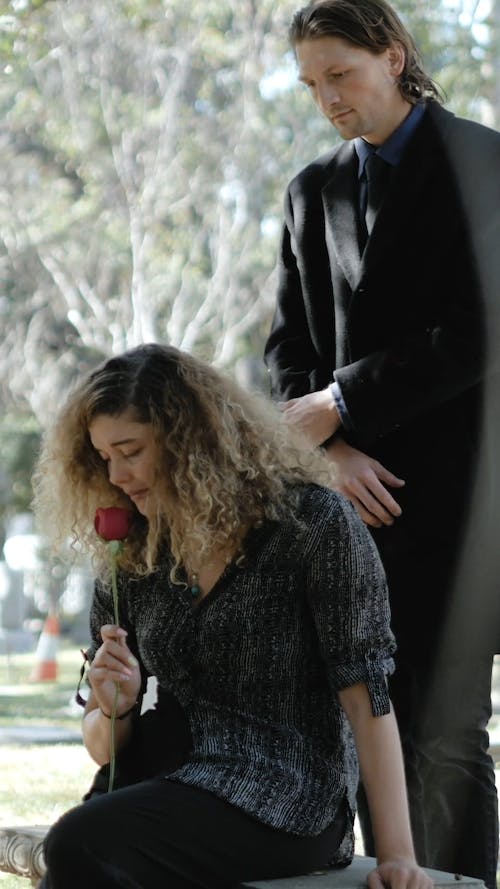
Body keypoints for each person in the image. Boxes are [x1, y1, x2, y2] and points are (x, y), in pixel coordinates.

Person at [33, 343, 431, 889]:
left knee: (80, 844)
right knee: (82, 847)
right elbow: (106, 753)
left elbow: (366, 693)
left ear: (187, 440)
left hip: (285, 797)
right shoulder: (134, 553)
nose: (117, 474)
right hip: (163, 781)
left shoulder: (312, 523)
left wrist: (399, 856)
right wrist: (114, 709)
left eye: (130, 450)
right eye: (104, 457)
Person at [264, 2, 500, 887]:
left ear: (394, 56)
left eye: (341, 75)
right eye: (311, 84)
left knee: (445, 731)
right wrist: (324, 448)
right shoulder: (308, 189)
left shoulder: (485, 162)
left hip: (464, 504)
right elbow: (285, 350)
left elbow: (485, 328)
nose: (326, 98)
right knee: (375, 720)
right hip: (346, 513)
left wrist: (342, 401)